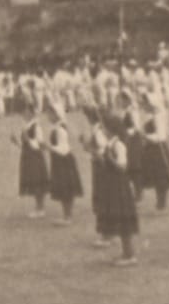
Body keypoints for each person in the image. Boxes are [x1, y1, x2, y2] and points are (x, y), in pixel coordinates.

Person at [92, 115, 140, 266]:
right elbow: (107, 164)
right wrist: (99, 157)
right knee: (118, 218)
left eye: (104, 128)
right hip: (112, 186)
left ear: (112, 129)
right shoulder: (109, 144)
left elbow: (122, 167)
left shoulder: (119, 145)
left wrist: (109, 159)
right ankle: (125, 253)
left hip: (120, 187)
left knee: (124, 220)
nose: (102, 130)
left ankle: (130, 255)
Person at [46, 105, 83, 226]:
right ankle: (66, 215)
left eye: (50, 114)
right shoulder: (56, 127)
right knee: (64, 188)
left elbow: (64, 149)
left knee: (65, 187)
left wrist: (49, 147)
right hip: (59, 159)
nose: (48, 116)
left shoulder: (60, 129)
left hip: (63, 160)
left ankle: (68, 216)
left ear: (56, 115)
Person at [13, 101, 49, 218]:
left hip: (35, 157)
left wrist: (28, 139)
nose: (24, 114)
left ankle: (41, 208)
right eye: (23, 112)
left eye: (27, 112)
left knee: (37, 180)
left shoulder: (36, 126)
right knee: (33, 181)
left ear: (32, 113)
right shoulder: (26, 126)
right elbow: (24, 145)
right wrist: (16, 142)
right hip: (27, 156)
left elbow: (39, 144)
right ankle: (38, 207)